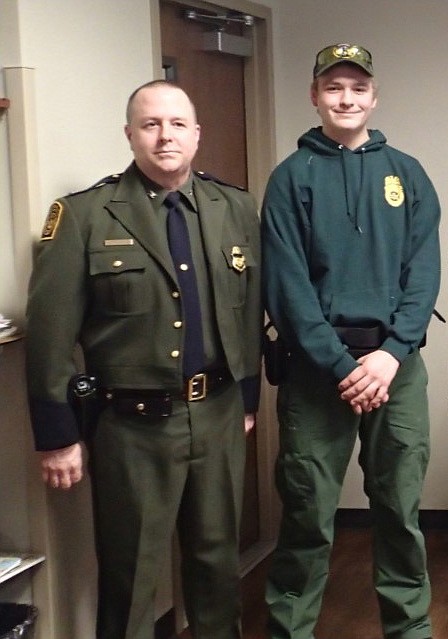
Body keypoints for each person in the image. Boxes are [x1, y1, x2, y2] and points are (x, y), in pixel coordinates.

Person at [25, 79, 262, 639]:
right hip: (131, 427)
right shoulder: (84, 215)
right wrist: (57, 434)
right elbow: (49, 335)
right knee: (130, 579)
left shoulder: (234, 206)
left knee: (217, 571)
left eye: (178, 124)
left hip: (219, 412)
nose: (165, 136)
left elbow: (248, 310)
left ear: (197, 135)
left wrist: (247, 400)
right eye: (151, 124)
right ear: (130, 134)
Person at [261, 43, 441, 639]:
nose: (346, 98)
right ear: (314, 96)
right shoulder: (290, 179)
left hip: (396, 366)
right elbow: (287, 289)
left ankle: (409, 627)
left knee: (399, 510)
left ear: (374, 97)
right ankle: (291, 628)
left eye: (357, 88)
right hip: (319, 371)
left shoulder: (406, 173)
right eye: (333, 87)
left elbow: (423, 274)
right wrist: (342, 366)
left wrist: (391, 354)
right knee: (308, 512)